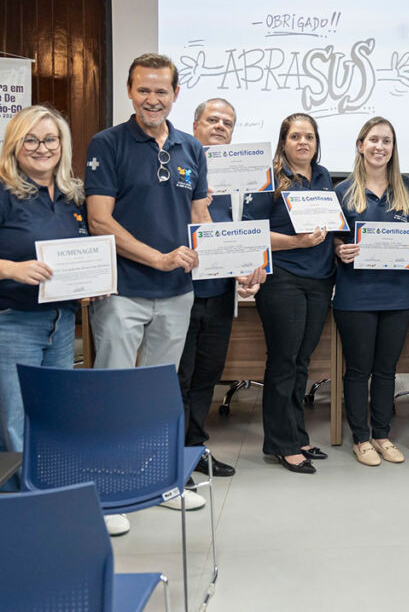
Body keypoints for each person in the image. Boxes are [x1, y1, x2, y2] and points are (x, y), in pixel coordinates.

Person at [85, 54, 223, 528]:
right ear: (129, 91)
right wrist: (157, 258)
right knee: (116, 392)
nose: (152, 99)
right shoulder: (108, 143)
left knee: (161, 393)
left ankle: (160, 482)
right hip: (123, 290)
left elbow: (200, 215)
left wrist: (234, 261)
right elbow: (100, 220)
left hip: (177, 293)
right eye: (144, 90)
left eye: (161, 90)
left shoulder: (191, 148)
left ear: (175, 94)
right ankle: (107, 494)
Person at [333, 117, 409, 466]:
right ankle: (360, 438)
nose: (380, 147)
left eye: (387, 141)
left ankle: (381, 433)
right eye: (373, 140)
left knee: (387, 369)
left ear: (393, 149)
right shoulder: (342, 191)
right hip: (355, 296)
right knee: (359, 369)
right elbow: (333, 239)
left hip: (399, 295)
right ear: (360, 145)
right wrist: (338, 249)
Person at [0, 106, 88, 492]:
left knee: (55, 414)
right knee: (15, 420)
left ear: (62, 144)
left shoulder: (74, 195)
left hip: (62, 323)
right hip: (13, 320)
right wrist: (11, 268)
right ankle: (24, 504)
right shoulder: (4, 191)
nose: (41, 148)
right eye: (30, 140)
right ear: (14, 145)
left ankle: (53, 493)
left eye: (50, 139)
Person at [243, 113, 335, 474]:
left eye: (309, 136)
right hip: (283, 279)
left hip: (320, 280)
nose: (303, 142)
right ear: (283, 142)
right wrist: (296, 242)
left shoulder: (325, 176)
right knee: (283, 361)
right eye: (295, 136)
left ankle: (297, 433)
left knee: (301, 362)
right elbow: (253, 231)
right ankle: (280, 444)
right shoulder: (269, 178)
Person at [177, 98, 263, 479]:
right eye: (212, 120)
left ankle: (194, 449)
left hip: (220, 293)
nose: (219, 126)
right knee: (178, 376)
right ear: (195, 125)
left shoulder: (239, 179)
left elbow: (245, 233)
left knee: (205, 377)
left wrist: (251, 268)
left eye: (227, 122)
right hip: (179, 291)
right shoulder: (179, 169)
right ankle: (171, 454)